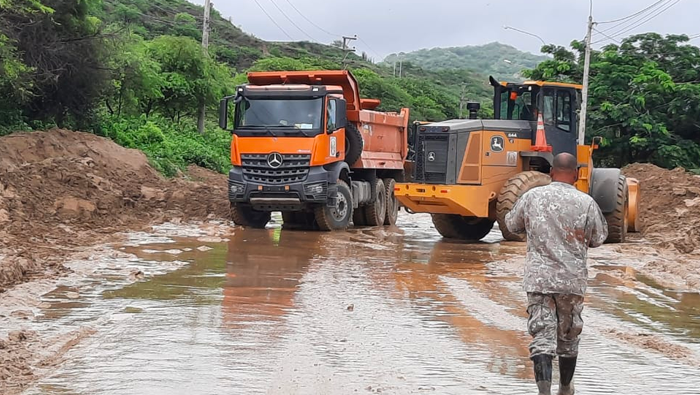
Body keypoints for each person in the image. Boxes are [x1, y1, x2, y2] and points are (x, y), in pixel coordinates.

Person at [505, 153, 608, 395]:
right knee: (569, 336)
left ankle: (544, 393)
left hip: (539, 280)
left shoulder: (531, 197)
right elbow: (599, 238)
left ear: (551, 173)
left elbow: (511, 225)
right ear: (575, 174)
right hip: (571, 281)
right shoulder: (586, 203)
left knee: (542, 335)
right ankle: (565, 389)